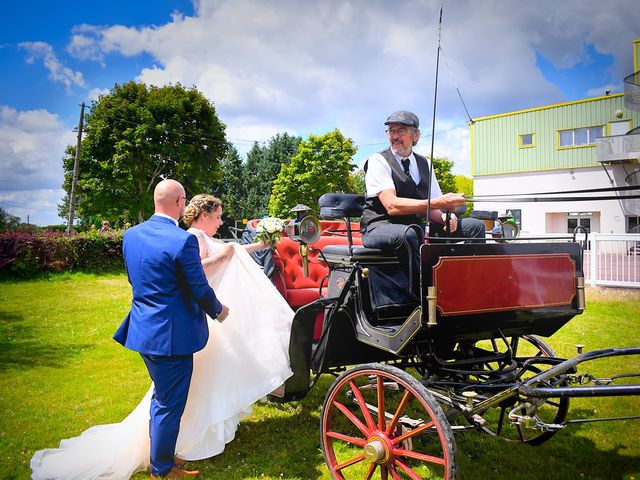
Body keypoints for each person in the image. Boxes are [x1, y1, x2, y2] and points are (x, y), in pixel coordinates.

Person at [30, 188, 294, 480]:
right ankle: (163, 468)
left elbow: (137, 279)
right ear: (180, 203)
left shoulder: (131, 235)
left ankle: (165, 453)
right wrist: (218, 310)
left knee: (163, 398)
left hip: (143, 330)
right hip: (172, 337)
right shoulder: (182, 240)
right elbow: (197, 286)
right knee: (169, 404)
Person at [361, 110, 485, 293]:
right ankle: (424, 295)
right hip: (379, 227)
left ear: (416, 135)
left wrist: (444, 218)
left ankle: (471, 287)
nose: (395, 136)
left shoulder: (424, 164)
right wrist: (439, 204)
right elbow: (392, 206)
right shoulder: (379, 161)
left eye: (401, 130)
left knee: (474, 226)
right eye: (391, 131)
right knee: (408, 234)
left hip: (415, 228)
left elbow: (434, 207)